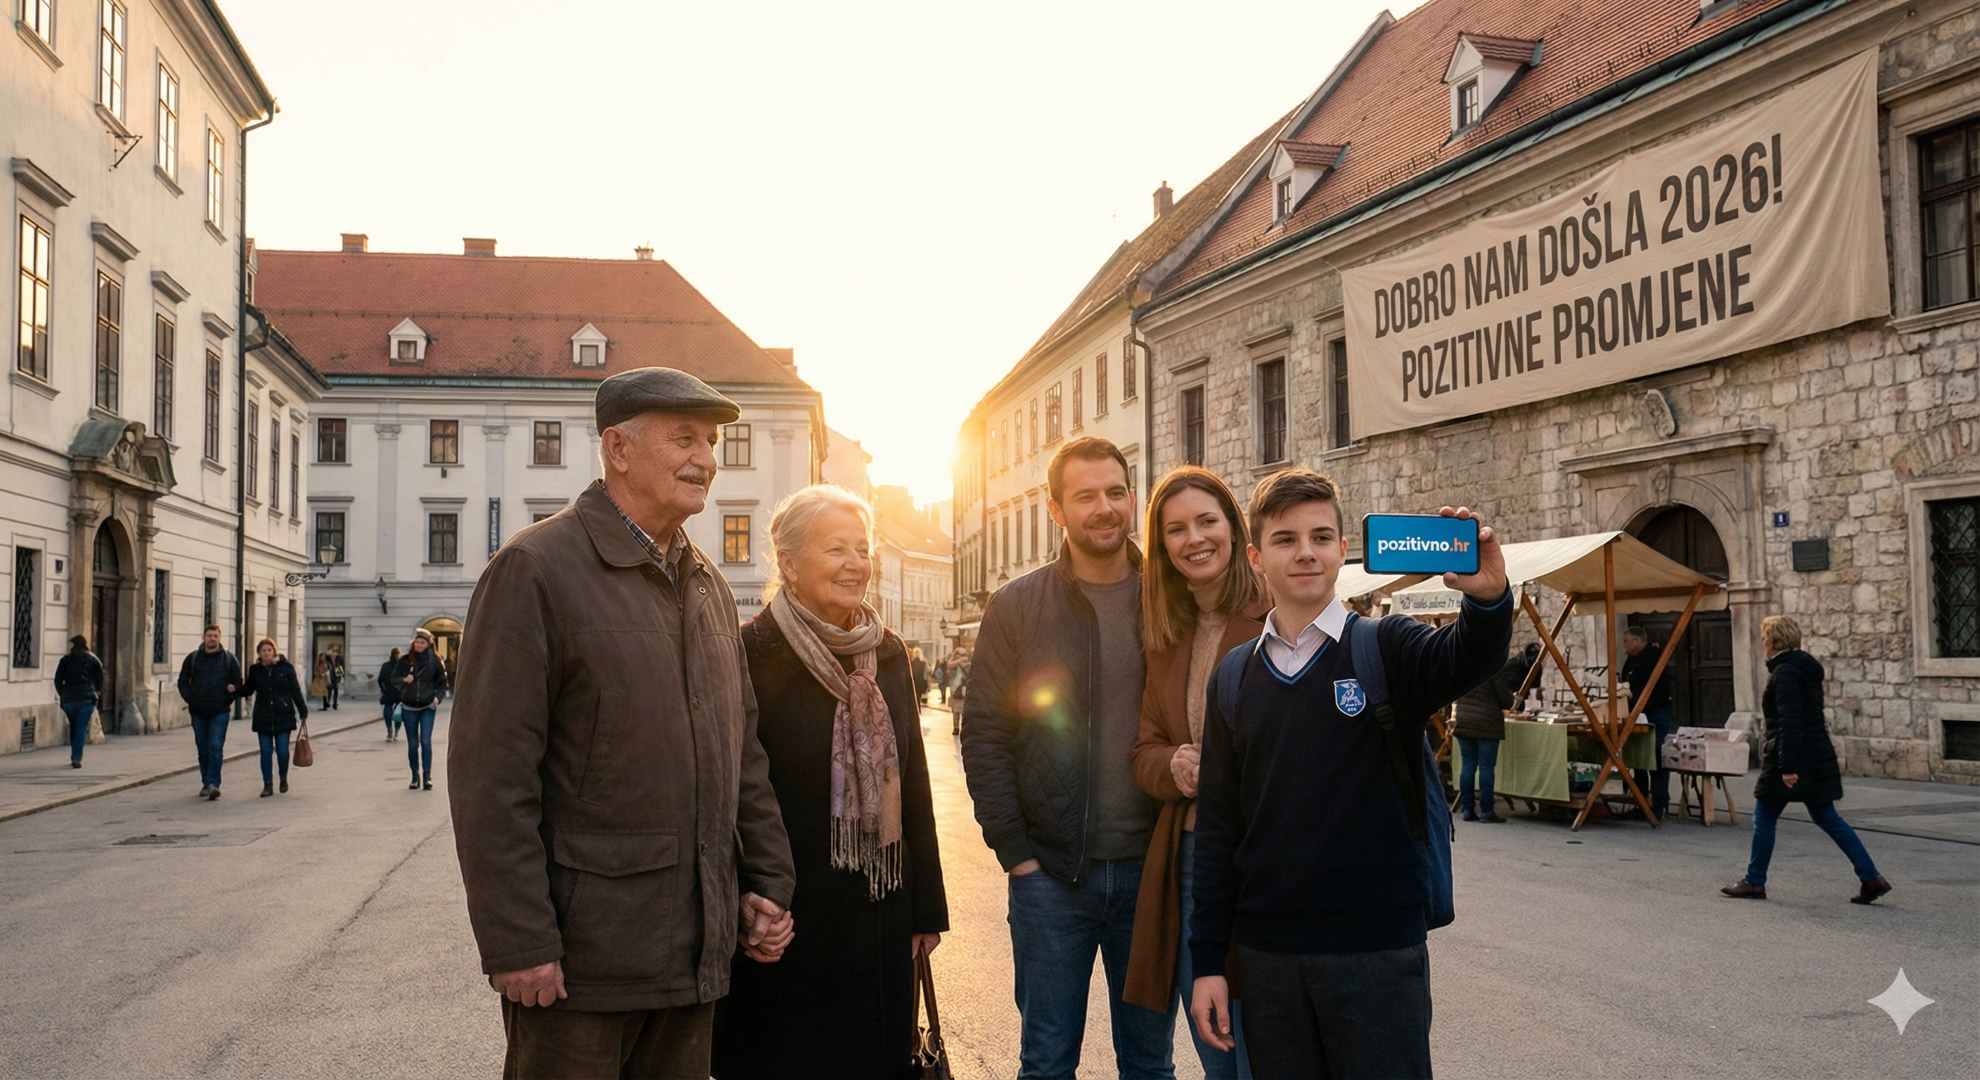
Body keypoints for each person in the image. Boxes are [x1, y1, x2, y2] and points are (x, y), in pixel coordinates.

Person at [448, 367, 796, 1080]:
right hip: (582, 962)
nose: (706, 458)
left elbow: (743, 754)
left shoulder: (708, 585)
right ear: (618, 448)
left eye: (711, 441)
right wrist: (518, 940)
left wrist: (768, 884)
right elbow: (491, 777)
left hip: (695, 953)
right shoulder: (535, 569)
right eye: (684, 439)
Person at [1190, 469, 1512, 1080]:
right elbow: (1217, 833)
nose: (1305, 551)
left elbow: (1468, 656)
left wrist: (1489, 599)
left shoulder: (1385, 646)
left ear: (1343, 549)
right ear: (1256, 556)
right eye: (1285, 540)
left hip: (1378, 953)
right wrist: (1208, 961)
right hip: (1269, 960)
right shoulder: (1234, 676)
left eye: (1320, 536)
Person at [714, 485, 949, 1079]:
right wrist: (745, 899)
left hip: (878, 908)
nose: (855, 564)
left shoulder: (888, 654)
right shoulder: (749, 652)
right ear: (788, 563)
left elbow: (913, 784)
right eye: (835, 549)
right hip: (786, 910)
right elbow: (729, 790)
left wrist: (926, 911)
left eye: (862, 549)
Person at [961, 436, 1175, 1080]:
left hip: (1151, 872)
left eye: (1115, 492)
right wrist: (1017, 855)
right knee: (1048, 1061)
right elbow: (986, 735)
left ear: (1132, 497)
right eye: (1085, 497)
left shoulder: (1169, 596)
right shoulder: (1018, 605)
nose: (1104, 508)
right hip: (1052, 876)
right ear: (1056, 510)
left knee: (1150, 1062)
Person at [1123, 467, 1268, 1080]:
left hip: (1262, 860)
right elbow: (1143, 750)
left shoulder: (1275, 613)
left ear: (1234, 529)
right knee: (1216, 1045)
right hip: (1187, 858)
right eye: (1176, 529)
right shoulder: (1166, 633)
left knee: (1262, 1042)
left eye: (1207, 521)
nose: (1194, 539)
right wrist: (1172, 765)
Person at [1722, 615, 1891, 904]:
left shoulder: (1785, 672)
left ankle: (1754, 881)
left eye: (1764, 639)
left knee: (1764, 815)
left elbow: (1790, 721)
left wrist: (1788, 766)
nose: (1762, 644)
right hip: (1815, 754)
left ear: (1774, 642)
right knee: (1827, 816)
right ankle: (1871, 877)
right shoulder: (1803, 668)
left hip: (1790, 755)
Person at [177, 624, 242, 801]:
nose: (212, 638)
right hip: (198, 711)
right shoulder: (193, 658)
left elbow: (238, 683)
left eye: (215, 636)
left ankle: (214, 784)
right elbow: (182, 681)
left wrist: (230, 693)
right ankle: (206, 782)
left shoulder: (229, 659)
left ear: (219, 638)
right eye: (209, 635)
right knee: (202, 748)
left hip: (220, 711)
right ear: (203, 637)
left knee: (215, 746)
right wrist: (190, 698)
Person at [1620, 626, 1676, 819]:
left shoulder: (1654, 657)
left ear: (1637, 641)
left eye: (1626, 641)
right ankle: (1641, 801)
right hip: (1637, 712)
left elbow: (1653, 684)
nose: (1624, 645)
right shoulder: (1631, 659)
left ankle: (1658, 804)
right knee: (1638, 758)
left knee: (1656, 756)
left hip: (1656, 710)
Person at [240, 638, 308, 797]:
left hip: (283, 715)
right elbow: (248, 689)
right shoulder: (255, 670)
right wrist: (234, 688)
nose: (266, 653)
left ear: (274, 651)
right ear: (259, 653)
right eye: (263, 650)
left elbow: (295, 690)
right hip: (263, 716)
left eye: (269, 650)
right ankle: (267, 785)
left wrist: (302, 710)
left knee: (283, 752)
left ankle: (283, 777)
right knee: (265, 752)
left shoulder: (286, 668)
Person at [1452, 649, 1514, 823]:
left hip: (1464, 720)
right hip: (1487, 723)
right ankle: (1486, 811)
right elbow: (1505, 700)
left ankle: (1467, 809)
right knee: (1486, 767)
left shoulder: (1462, 667)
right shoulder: (1493, 667)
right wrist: (1514, 699)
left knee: (1468, 766)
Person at [398, 630, 445, 791]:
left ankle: (427, 777)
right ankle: (414, 776)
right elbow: (393, 680)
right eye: (417, 642)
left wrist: (437, 698)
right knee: (412, 744)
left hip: (427, 707)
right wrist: (404, 680)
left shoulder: (435, 661)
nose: (419, 645)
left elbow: (442, 684)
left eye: (422, 642)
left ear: (428, 644)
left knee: (425, 742)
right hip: (408, 708)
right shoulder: (405, 660)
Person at [53, 635, 104, 769]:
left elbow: (57, 680)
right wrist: (97, 692)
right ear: (85, 645)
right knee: (80, 728)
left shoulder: (65, 660)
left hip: (69, 700)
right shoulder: (93, 660)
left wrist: (62, 694)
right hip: (86, 699)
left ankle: (74, 755)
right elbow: (100, 678)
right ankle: (76, 758)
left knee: (74, 726)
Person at [379, 647, 403, 742]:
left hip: (388, 692)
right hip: (399, 693)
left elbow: (380, 680)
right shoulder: (401, 666)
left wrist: (383, 690)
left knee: (388, 710)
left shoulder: (385, 665)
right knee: (399, 713)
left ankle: (390, 730)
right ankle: (396, 732)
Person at [325, 646, 345, 711]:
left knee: (336, 690)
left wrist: (342, 676)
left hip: (337, 675)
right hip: (329, 675)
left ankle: (335, 704)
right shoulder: (327, 657)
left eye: (336, 651)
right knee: (329, 689)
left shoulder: (340, 658)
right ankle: (328, 702)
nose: (334, 653)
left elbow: (342, 666)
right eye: (333, 651)